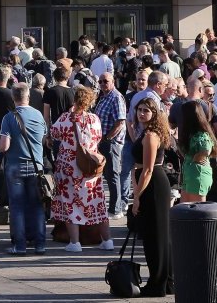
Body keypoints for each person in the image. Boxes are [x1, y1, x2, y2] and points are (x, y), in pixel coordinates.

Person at [49, 86, 112, 251]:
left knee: (71, 202)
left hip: (69, 166)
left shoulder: (65, 118)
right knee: (97, 202)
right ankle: (107, 241)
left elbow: (54, 133)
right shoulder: (94, 119)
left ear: (74, 100)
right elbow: (98, 138)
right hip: (90, 166)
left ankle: (75, 242)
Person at [0, 82, 48, 255]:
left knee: (17, 207)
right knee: (37, 205)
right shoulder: (38, 115)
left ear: (13, 97)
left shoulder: (9, 117)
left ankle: (20, 246)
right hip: (36, 166)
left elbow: (4, 146)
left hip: (15, 166)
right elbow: (43, 139)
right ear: (28, 96)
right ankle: (40, 243)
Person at [128, 100, 172, 297]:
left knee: (156, 235)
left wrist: (136, 197)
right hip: (149, 183)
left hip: (153, 184)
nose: (142, 113)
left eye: (146, 110)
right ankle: (165, 280)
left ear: (155, 114)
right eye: (139, 110)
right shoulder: (144, 133)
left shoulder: (151, 136)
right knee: (154, 234)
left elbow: (147, 169)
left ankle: (158, 283)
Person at [94, 71, 127, 217]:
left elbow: (120, 121)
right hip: (103, 142)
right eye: (100, 81)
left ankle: (116, 209)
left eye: (105, 81)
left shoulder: (116, 97)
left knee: (113, 175)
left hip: (111, 142)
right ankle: (113, 207)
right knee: (108, 175)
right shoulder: (104, 97)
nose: (102, 84)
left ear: (112, 81)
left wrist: (108, 138)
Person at [178, 99, 217, 203]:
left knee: (197, 210)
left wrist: (197, 157)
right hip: (189, 174)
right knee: (185, 209)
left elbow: (206, 150)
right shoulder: (191, 134)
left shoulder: (202, 134)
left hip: (197, 175)